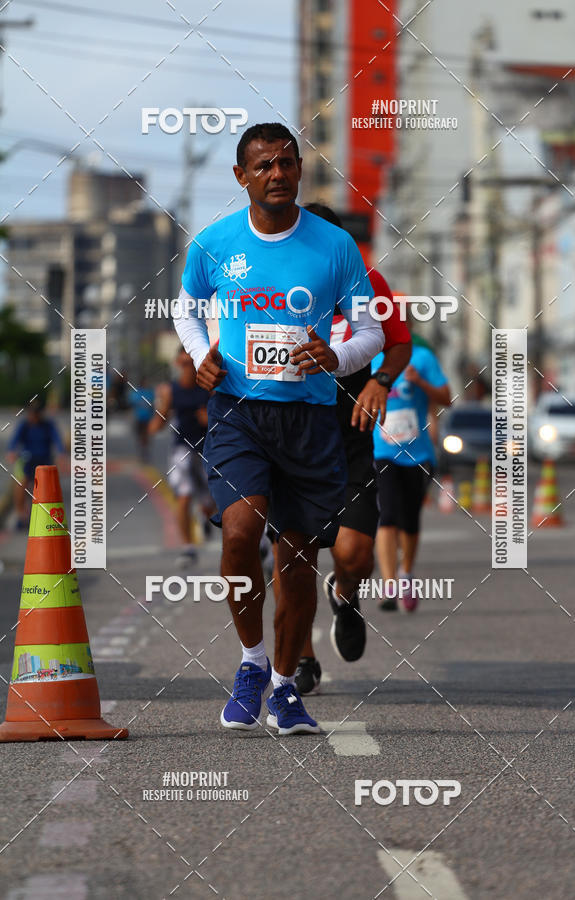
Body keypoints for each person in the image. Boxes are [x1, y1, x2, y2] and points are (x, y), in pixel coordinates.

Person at [173, 122, 383, 735]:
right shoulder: (214, 242)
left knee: (296, 558)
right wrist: (200, 354)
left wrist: (336, 357)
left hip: (309, 421)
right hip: (238, 412)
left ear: (299, 171)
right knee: (240, 533)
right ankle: (251, 662)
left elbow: (370, 330)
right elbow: (186, 308)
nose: (277, 174)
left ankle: (286, 689)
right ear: (241, 176)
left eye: (287, 163)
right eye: (264, 165)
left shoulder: (335, 246)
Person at [270, 203, 412, 696]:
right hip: (288, 439)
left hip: (348, 440)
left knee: (355, 553)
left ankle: (345, 594)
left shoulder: (368, 282)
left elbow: (398, 342)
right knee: (292, 556)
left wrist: (380, 382)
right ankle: (300, 657)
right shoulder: (272, 285)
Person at [373, 340, 451, 612]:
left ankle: (405, 573)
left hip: (418, 454)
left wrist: (420, 382)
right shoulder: (371, 358)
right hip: (382, 450)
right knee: (387, 515)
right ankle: (389, 585)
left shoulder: (422, 357)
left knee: (409, 520)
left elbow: (446, 398)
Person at [148, 348, 214, 567]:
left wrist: (210, 419)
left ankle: (204, 517)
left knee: (212, 501)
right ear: (178, 363)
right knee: (184, 496)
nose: (189, 368)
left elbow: (221, 420)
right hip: (181, 450)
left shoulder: (208, 388)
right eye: (184, 363)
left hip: (206, 449)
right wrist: (157, 418)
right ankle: (188, 548)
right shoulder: (171, 390)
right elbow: (158, 423)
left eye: (192, 363)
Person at [6, 398, 65, 529]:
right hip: (27, 459)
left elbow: (57, 440)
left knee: (47, 489)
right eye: (32, 413)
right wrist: (11, 452)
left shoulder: (48, 425)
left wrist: (61, 454)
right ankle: (21, 514)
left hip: (44, 460)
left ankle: (47, 516)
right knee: (21, 484)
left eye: (37, 413)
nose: (34, 416)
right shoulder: (24, 425)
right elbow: (14, 441)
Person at [129, 376, 154, 462]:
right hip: (139, 417)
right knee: (140, 435)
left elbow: (153, 405)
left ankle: (145, 451)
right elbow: (132, 405)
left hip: (148, 417)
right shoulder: (137, 393)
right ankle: (141, 451)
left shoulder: (150, 392)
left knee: (146, 436)